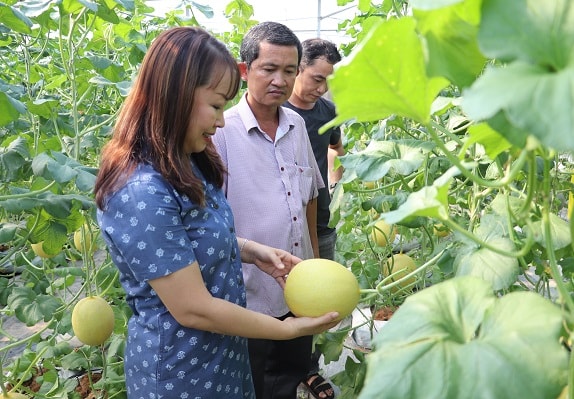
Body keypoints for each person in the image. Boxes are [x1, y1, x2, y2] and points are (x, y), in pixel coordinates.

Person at [93, 26, 339, 399]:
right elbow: (193, 309)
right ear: (174, 97)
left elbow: (191, 235)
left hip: (223, 355)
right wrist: (289, 331)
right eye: (216, 105)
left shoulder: (185, 164)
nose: (221, 121)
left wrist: (251, 251)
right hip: (183, 372)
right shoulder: (139, 190)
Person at [212, 22, 324, 399]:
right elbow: (210, 220)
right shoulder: (219, 132)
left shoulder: (296, 124)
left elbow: (309, 198)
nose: (280, 80)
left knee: (289, 377)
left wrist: (315, 264)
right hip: (247, 295)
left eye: (289, 71)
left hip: (299, 288)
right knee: (252, 382)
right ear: (245, 71)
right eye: (269, 69)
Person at [284, 37, 344, 399]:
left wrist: (332, 179)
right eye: (316, 78)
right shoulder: (276, 112)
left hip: (318, 221)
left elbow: (336, 147)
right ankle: (281, 371)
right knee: (280, 303)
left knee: (320, 304)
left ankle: (309, 370)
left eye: (327, 81)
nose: (321, 89)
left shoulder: (325, 111)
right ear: (298, 69)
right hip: (280, 222)